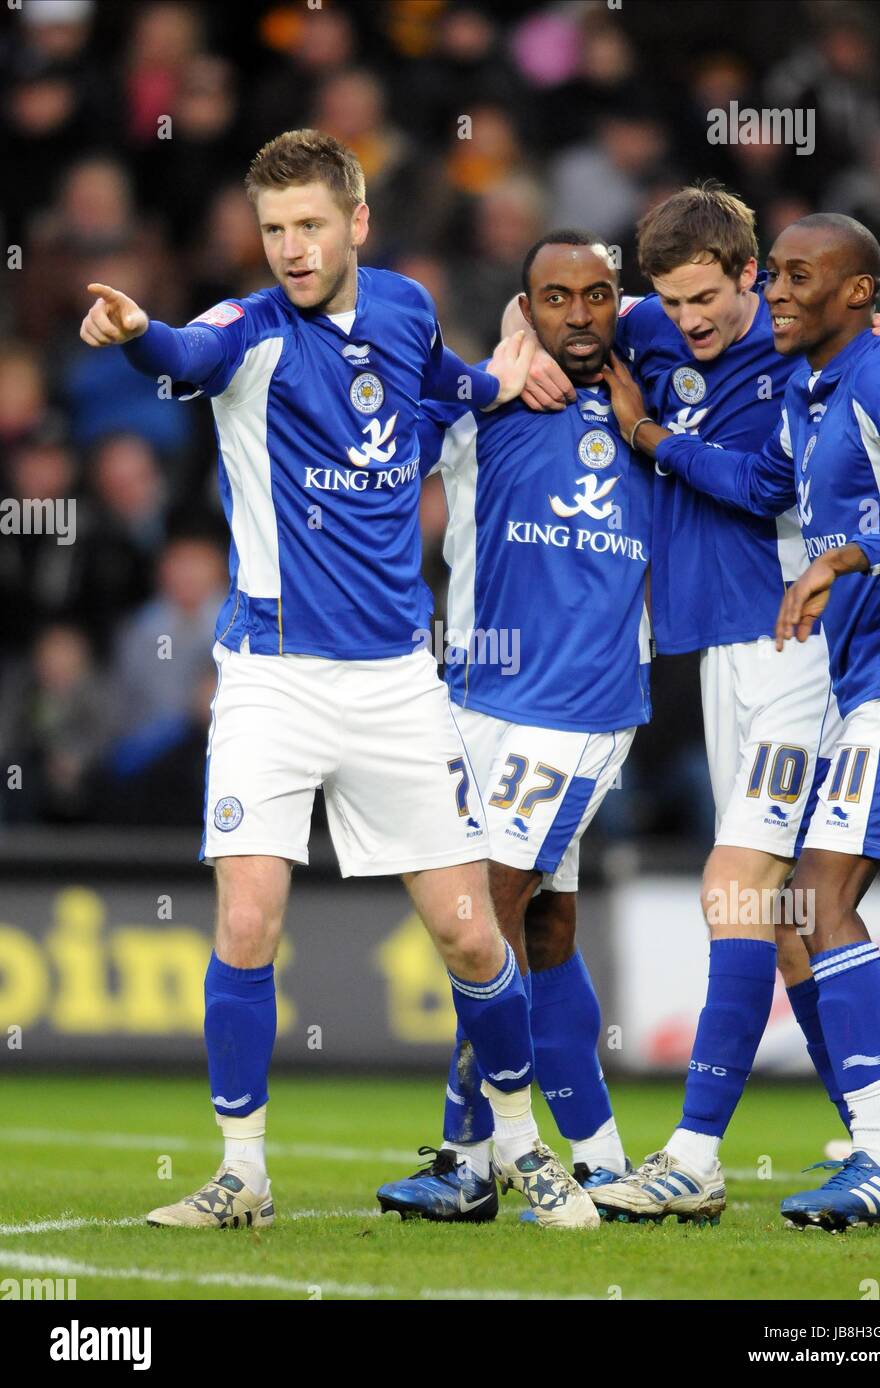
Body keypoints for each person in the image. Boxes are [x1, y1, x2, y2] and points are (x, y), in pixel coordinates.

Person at [79, 127, 599, 1231]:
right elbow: (179, 351)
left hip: (395, 684)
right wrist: (134, 333)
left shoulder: (406, 307)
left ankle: (519, 1147)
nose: (291, 249)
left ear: (357, 222)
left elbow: (442, 385)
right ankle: (242, 1174)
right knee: (248, 914)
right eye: (273, 230)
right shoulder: (248, 331)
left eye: (311, 225)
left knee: (471, 934)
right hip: (270, 677)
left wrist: (498, 375)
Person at [506, 183, 880, 1225]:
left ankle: (698, 1153)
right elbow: (558, 306)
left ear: (754, 279)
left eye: (714, 298)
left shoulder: (803, 347)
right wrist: (518, 340)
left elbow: (774, 480)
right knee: (788, 924)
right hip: (713, 653)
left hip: (800, 654)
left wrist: (650, 434)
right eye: (672, 302)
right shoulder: (653, 322)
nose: (690, 321)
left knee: (740, 887)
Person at [376, 231, 650, 1220]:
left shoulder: (651, 395)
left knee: (480, 918)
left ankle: (475, 1156)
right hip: (475, 699)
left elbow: (740, 325)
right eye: (555, 297)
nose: (579, 314)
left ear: (621, 301)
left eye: (598, 295)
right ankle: (608, 1161)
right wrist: (492, 365)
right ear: (524, 307)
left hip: (577, 708)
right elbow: (393, 433)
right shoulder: (488, 400)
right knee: (540, 924)